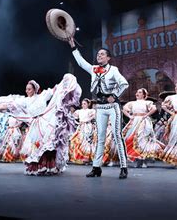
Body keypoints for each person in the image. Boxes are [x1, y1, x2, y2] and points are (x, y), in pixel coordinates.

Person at [0, 74, 81, 175]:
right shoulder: (24, 100)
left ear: (34, 89)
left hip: (45, 121)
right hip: (34, 125)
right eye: (26, 89)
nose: (27, 91)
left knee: (48, 144)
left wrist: (65, 81)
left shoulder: (42, 96)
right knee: (37, 146)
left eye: (29, 89)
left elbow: (55, 90)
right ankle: (40, 167)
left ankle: (50, 166)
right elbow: (11, 105)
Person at [68, 37, 129, 179]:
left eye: (102, 54)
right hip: (100, 107)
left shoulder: (113, 70)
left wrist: (114, 95)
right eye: (98, 54)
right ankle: (96, 167)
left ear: (108, 58)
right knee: (100, 137)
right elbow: (81, 62)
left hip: (113, 106)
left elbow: (124, 84)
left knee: (117, 135)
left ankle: (123, 167)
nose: (99, 55)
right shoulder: (94, 69)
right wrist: (73, 47)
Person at [122, 88, 164, 167]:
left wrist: (146, 115)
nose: (137, 93)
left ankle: (143, 161)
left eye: (140, 92)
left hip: (143, 122)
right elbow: (124, 109)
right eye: (137, 92)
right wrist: (130, 116)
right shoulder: (132, 103)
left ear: (144, 95)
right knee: (131, 139)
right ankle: (138, 160)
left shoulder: (147, 102)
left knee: (142, 140)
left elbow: (154, 108)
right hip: (134, 121)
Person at [69, 98, 97, 164]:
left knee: (87, 141)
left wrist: (87, 120)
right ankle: (80, 157)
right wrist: (78, 123)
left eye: (84, 104)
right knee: (78, 140)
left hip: (88, 127)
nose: (83, 105)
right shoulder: (79, 111)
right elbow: (73, 117)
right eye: (82, 104)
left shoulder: (91, 111)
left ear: (88, 104)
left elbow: (94, 116)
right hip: (81, 127)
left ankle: (87, 158)